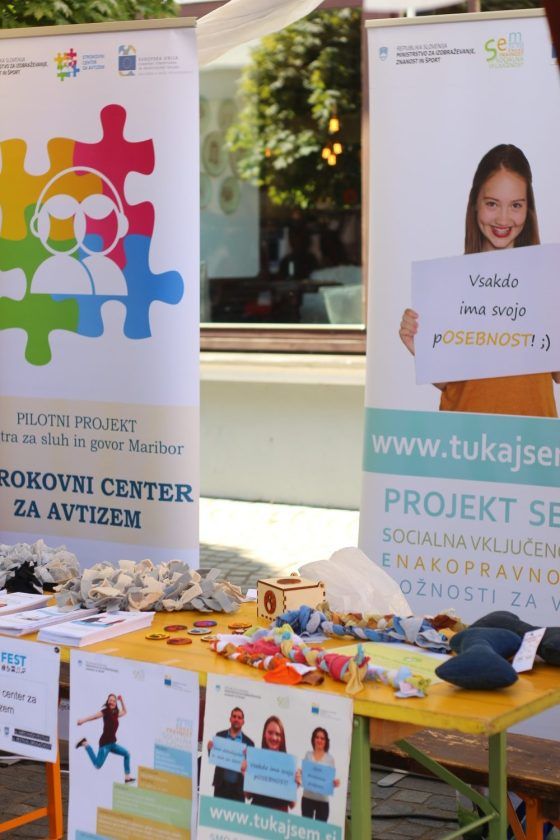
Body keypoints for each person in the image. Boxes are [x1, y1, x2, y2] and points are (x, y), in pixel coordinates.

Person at [399, 144, 560, 416]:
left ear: (528, 209)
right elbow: (454, 385)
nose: (503, 218)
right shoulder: (448, 284)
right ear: (475, 204)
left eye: (516, 205)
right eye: (492, 204)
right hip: (465, 434)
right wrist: (423, 350)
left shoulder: (547, 281)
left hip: (531, 435)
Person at [75, 693, 134, 782]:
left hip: (113, 744)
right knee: (97, 765)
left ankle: (127, 777)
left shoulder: (116, 713)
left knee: (127, 754)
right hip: (105, 744)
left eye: (114, 701)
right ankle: (85, 744)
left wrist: (121, 700)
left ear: (115, 703)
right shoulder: (105, 711)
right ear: (108, 701)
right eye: (110, 700)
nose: (112, 702)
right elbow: (94, 717)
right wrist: (83, 720)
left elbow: (125, 711)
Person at [245, 716, 296, 812]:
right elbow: (248, 796)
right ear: (264, 734)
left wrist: (295, 785)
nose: (274, 737)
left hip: (279, 816)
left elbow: (292, 805)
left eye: (278, 734)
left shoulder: (288, 763)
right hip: (257, 814)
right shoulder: (256, 758)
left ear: (282, 738)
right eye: (270, 733)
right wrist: (245, 774)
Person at [207, 707, 254, 802]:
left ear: (243, 722)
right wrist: (209, 749)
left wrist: (248, 758)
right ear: (230, 719)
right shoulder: (220, 736)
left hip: (239, 789)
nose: (236, 719)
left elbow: (250, 768)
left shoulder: (249, 743)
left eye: (239, 717)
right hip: (221, 786)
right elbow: (214, 758)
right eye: (234, 716)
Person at [297, 727, 340, 822]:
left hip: (323, 801)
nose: (319, 740)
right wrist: (299, 773)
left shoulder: (330, 759)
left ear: (326, 741)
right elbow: (304, 773)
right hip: (307, 798)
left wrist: (335, 783)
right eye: (317, 737)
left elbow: (330, 780)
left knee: (320, 830)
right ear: (313, 739)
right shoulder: (308, 755)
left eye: (322, 738)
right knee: (306, 827)